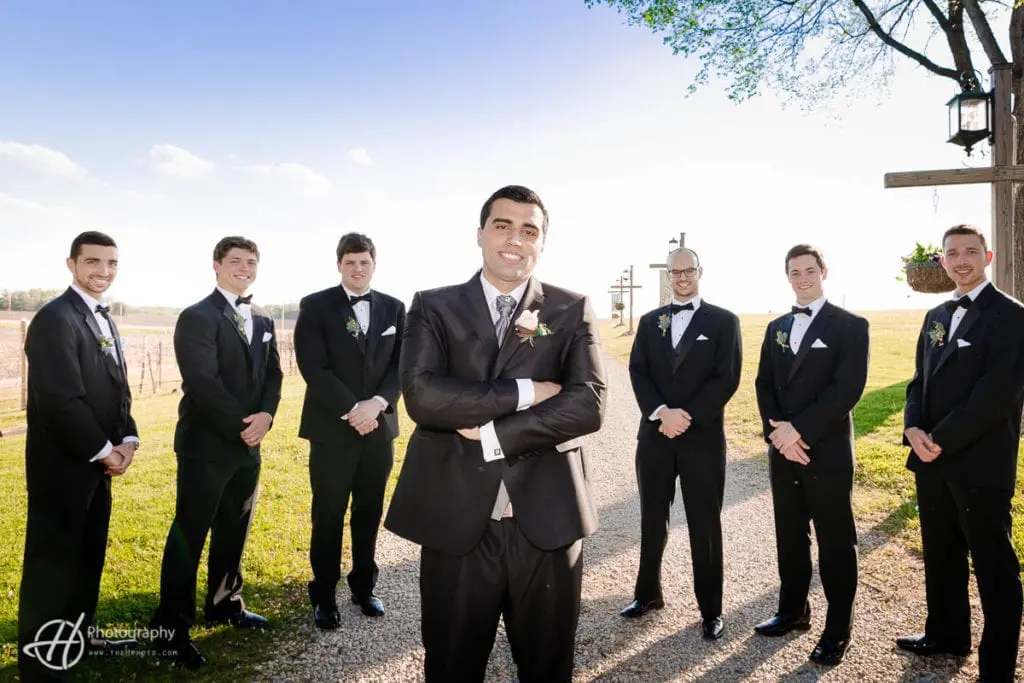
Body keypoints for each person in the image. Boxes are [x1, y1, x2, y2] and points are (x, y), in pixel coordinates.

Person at [384, 185, 606, 682]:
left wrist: (494, 436)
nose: (515, 239)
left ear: (542, 242)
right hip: (458, 520)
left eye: (530, 230)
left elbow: (588, 403)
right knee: (452, 665)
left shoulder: (570, 308)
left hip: (547, 519)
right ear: (481, 234)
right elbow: (423, 397)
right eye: (503, 226)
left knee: (548, 668)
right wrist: (527, 391)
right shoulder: (432, 306)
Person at [896, 224, 1024, 683]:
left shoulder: (1012, 316)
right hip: (931, 459)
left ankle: (997, 668)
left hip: (980, 461)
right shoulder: (936, 314)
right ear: (943, 261)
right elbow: (919, 381)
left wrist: (939, 440)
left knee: (994, 566)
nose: (962, 260)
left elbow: (996, 396)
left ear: (987, 257)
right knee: (941, 552)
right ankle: (948, 634)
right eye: (953, 253)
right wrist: (912, 427)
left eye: (971, 251)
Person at [150, 236, 283, 669]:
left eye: (251, 262)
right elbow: (202, 381)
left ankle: (225, 602)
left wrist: (266, 415)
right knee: (189, 534)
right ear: (217, 265)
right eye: (235, 261)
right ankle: (170, 629)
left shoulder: (263, 317)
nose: (244, 268)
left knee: (234, 528)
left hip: (249, 445)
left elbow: (274, 374)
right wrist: (244, 425)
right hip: (206, 445)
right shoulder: (197, 316)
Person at [18, 231, 140, 681]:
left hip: (99, 467)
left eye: (111, 263)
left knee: (88, 557)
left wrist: (129, 439)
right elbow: (60, 399)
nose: (103, 271)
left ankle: (79, 636)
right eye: (93, 262)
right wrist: (105, 450)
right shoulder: (55, 319)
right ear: (71, 264)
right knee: (52, 566)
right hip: (62, 468)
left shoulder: (104, 317)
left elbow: (117, 388)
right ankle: (41, 665)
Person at [753, 244, 868, 666]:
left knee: (835, 542)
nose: (802, 278)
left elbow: (846, 389)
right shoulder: (776, 328)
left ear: (824, 272)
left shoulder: (851, 326)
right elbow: (764, 384)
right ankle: (792, 611)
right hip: (783, 450)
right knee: (790, 534)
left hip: (827, 451)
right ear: (787, 277)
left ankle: (838, 631)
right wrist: (779, 435)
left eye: (809, 271)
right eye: (794, 272)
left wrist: (798, 431)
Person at [621, 247, 741, 640]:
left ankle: (711, 610)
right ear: (668, 275)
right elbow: (638, 370)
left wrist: (685, 416)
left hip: (701, 439)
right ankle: (647, 594)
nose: (683, 277)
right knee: (652, 518)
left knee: (704, 524)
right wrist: (660, 412)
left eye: (689, 270)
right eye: (676, 272)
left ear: (700, 272)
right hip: (655, 436)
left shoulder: (724, 321)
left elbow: (726, 378)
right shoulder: (649, 321)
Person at [294, 232, 406, 628]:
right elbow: (313, 366)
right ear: (339, 264)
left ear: (374, 264)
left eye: (364, 262)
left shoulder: (395, 308)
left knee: (369, 511)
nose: (357, 269)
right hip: (332, 430)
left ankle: (363, 587)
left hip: (379, 428)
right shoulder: (315, 305)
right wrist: (352, 409)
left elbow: (401, 365)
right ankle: (324, 595)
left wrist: (377, 404)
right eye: (350, 262)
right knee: (328, 513)